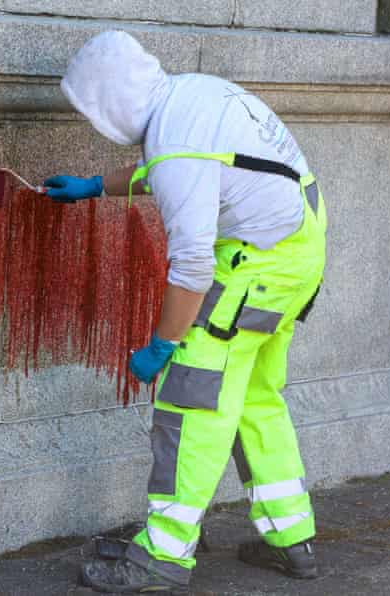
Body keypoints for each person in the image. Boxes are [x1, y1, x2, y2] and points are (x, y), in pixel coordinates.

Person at [44, 30, 327, 593]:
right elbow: (196, 169)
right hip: (298, 249)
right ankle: (291, 539)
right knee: (252, 396)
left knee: (189, 404)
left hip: (255, 269)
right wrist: (101, 186)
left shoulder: (176, 141)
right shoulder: (192, 93)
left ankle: (163, 556)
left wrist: (164, 345)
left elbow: (194, 265)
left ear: (111, 103)